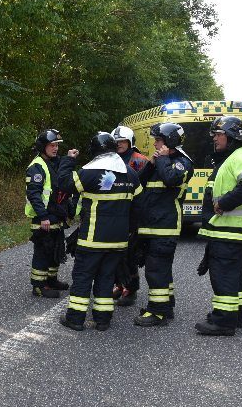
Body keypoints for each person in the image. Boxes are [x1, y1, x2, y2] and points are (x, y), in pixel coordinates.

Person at [57, 132, 142, 331]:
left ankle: (75, 319)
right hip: (118, 242)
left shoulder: (89, 173)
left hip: (92, 240)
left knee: (83, 278)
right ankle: (103, 320)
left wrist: (69, 160)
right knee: (106, 278)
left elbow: (64, 184)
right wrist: (131, 231)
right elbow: (138, 206)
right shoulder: (130, 174)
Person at [195, 116, 242, 336]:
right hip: (228, 229)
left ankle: (223, 322)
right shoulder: (233, 156)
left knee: (223, 275)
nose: (215, 138)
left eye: (218, 134)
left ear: (231, 136)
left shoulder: (241, 156)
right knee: (232, 275)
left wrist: (223, 203)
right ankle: (235, 315)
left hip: (230, 229)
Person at [132, 122, 194, 326]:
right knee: (161, 269)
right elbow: (138, 182)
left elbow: (170, 179)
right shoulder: (161, 161)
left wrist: (164, 158)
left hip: (165, 226)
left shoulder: (182, 163)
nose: (155, 144)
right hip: (152, 225)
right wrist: (151, 163)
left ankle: (157, 312)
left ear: (170, 141)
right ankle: (167, 306)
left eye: (158, 140)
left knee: (155, 269)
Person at [25, 129, 71, 298]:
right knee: (43, 252)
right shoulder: (37, 167)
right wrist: (43, 216)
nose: (55, 148)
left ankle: (51, 280)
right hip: (43, 217)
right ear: (42, 146)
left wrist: (69, 158)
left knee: (56, 249)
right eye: (52, 145)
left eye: (57, 145)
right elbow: (34, 194)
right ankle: (38, 285)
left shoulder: (54, 162)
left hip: (56, 215)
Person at [111, 125, 149, 305]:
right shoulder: (110, 160)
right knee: (113, 253)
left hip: (133, 213)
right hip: (114, 213)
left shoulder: (140, 161)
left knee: (129, 255)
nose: (119, 144)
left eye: (122, 141)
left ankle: (131, 289)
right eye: (116, 141)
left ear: (130, 142)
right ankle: (119, 284)